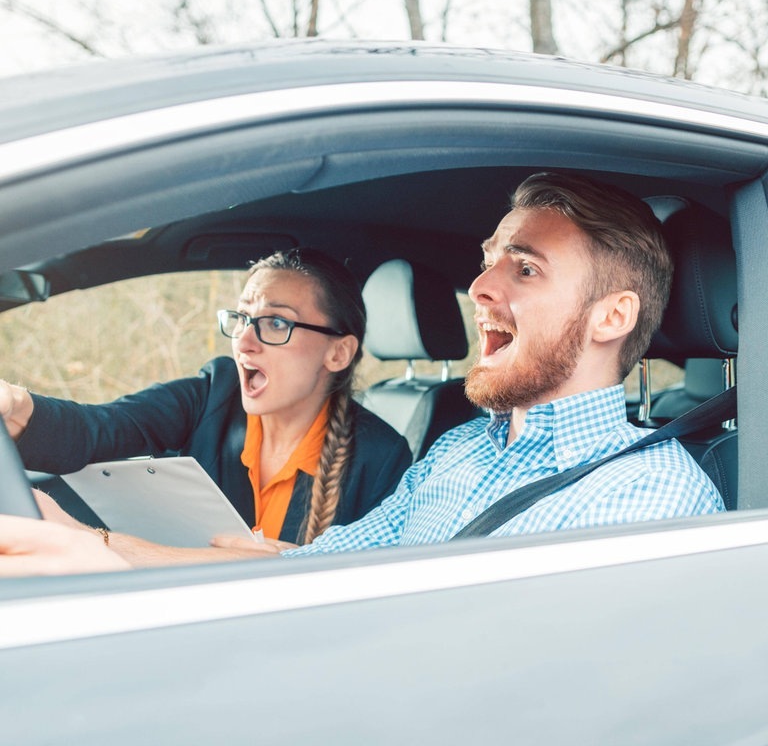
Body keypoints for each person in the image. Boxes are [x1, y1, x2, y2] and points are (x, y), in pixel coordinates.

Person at [0, 172, 726, 574]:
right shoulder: (459, 452)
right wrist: (95, 550)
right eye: (488, 259)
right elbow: (312, 573)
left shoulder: (649, 499)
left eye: (524, 267)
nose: (478, 286)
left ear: (611, 317)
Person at [0, 248, 412, 567]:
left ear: (338, 353)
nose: (245, 342)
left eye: (276, 323)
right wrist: (17, 406)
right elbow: (102, 428)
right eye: (242, 317)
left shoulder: (380, 457)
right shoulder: (213, 392)